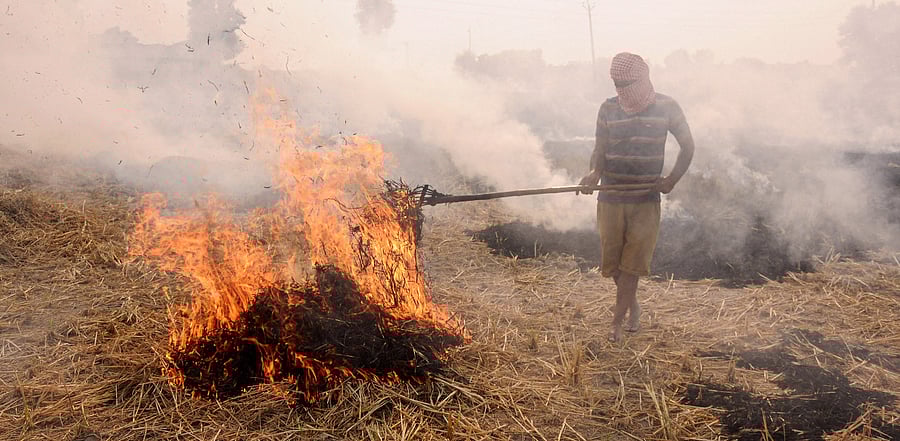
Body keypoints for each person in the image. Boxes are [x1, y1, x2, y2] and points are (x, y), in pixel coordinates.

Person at [578, 52, 695, 343]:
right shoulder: (607, 108)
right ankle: (632, 303)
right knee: (616, 267)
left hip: (645, 201)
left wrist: (671, 180)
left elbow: (688, 146)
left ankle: (616, 324)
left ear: (643, 79)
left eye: (627, 84)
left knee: (631, 268)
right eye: (618, 85)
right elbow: (600, 150)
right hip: (611, 198)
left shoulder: (667, 107)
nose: (622, 91)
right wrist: (594, 174)